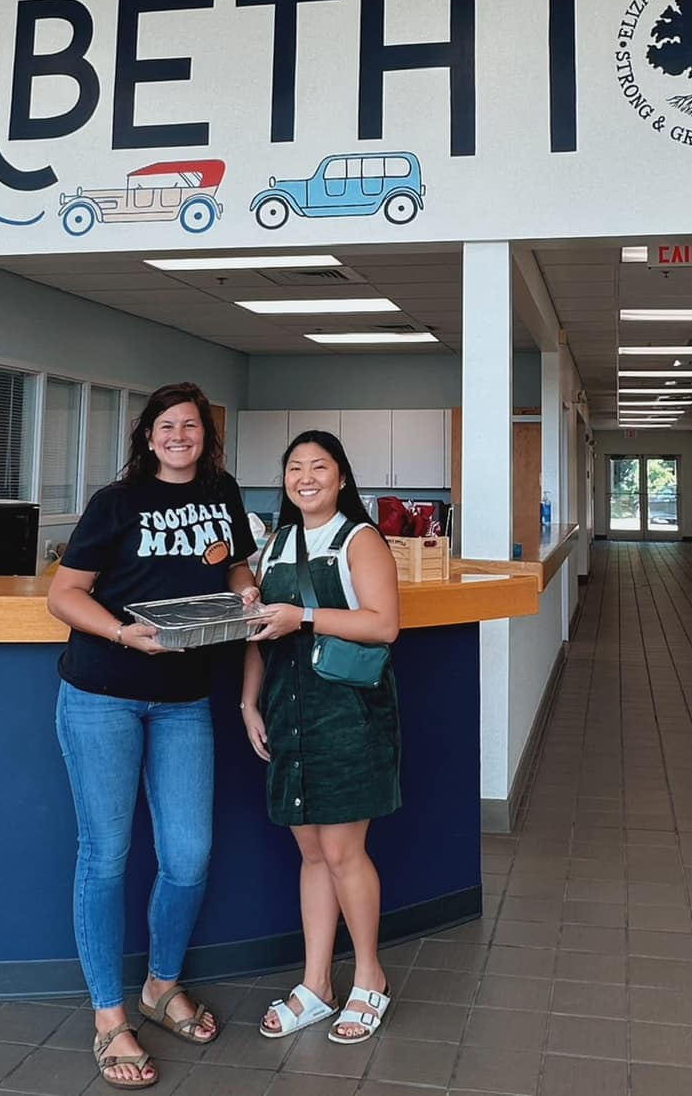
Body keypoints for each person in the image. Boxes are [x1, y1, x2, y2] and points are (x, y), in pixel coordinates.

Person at [47, 383, 257, 1090]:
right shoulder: (117, 502)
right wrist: (122, 634)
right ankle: (109, 1015)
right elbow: (63, 595)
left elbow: (232, 563)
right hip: (101, 694)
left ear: (206, 436)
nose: (178, 436)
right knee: (105, 856)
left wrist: (246, 587)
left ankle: (160, 988)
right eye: (166, 426)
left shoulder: (222, 493)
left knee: (189, 856)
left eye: (190, 426)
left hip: (183, 700)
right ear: (147, 436)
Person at [241, 430, 403, 1045]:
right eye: (295, 468)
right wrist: (249, 702)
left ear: (341, 478)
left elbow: (384, 625)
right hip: (287, 711)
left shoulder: (360, 539)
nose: (305, 478)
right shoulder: (275, 545)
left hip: (347, 714)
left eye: (319, 467)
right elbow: (260, 634)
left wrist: (303, 616)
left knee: (342, 853)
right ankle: (316, 985)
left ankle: (368, 977)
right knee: (311, 854)